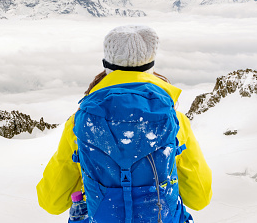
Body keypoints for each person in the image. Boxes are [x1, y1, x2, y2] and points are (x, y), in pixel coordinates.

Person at [36, 24, 212, 222]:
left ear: (106, 65)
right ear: (151, 66)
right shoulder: (175, 122)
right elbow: (200, 198)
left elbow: (51, 201)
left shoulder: (80, 124)